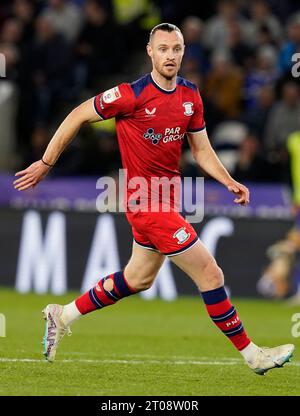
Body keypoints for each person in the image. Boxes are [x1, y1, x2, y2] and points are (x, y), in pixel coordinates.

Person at [14, 23, 294, 374]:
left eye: (176, 49)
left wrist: (228, 180)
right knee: (210, 273)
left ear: (183, 52)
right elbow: (77, 115)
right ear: (150, 52)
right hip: (146, 204)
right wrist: (45, 163)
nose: (170, 56)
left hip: (168, 201)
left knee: (138, 278)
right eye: (163, 49)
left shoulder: (190, 96)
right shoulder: (130, 95)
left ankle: (63, 314)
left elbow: (202, 150)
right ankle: (254, 355)